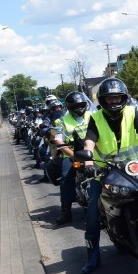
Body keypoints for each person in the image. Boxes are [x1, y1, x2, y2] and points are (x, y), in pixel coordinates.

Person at [79, 78, 138, 274]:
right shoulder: (96, 118)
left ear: (124, 98)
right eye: (109, 99)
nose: (114, 102)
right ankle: (92, 258)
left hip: (133, 165)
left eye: (117, 97)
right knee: (93, 215)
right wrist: (88, 164)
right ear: (103, 100)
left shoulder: (131, 112)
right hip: (105, 171)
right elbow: (89, 144)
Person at [52, 91, 92, 225]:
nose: (79, 108)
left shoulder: (93, 116)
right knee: (66, 178)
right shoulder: (60, 120)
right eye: (76, 106)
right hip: (70, 154)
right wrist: (72, 154)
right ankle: (66, 212)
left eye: (82, 104)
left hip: (93, 153)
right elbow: (57, 140)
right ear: (69, 107)